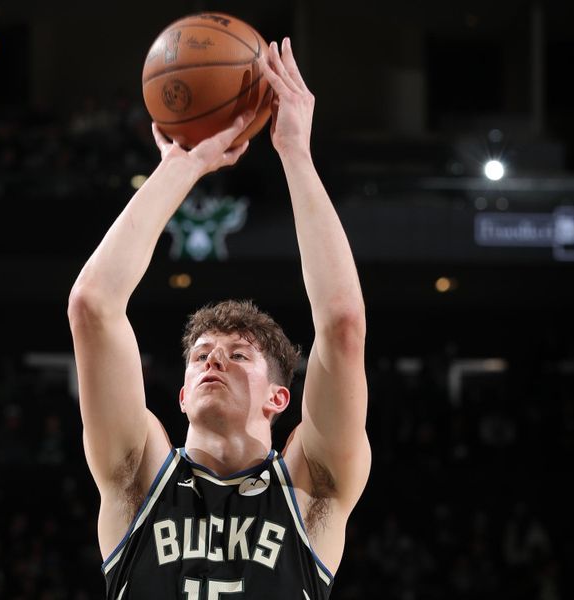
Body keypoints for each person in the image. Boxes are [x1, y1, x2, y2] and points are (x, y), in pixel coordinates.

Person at [68, 37, 370, 599]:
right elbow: (93, 305)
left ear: (279, 398)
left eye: (237, 356)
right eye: (202, 356)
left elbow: (343, 324)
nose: (213, 362)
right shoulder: (138, 476)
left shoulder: (311, 489)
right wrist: (183, 166)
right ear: (181, 396)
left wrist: (296, 155)